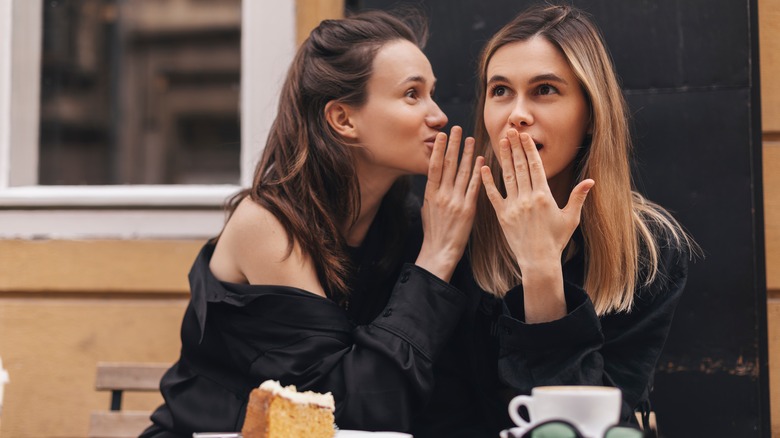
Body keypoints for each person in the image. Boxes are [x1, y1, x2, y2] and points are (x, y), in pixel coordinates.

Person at [140, 10, 483, 437]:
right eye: (412, 94)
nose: (437, 115)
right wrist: (437, 259)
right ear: (343, 119)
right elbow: (345, 415)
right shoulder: (269, 226)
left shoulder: (408, 225)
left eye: (433, 93)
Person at [411, 4, 697, 437]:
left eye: (545, 89)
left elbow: (588, 426)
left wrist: (541, 269)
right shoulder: (454, 226)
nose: (517, 114)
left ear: (590, 115)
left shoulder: (648, 248)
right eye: (501, 90)